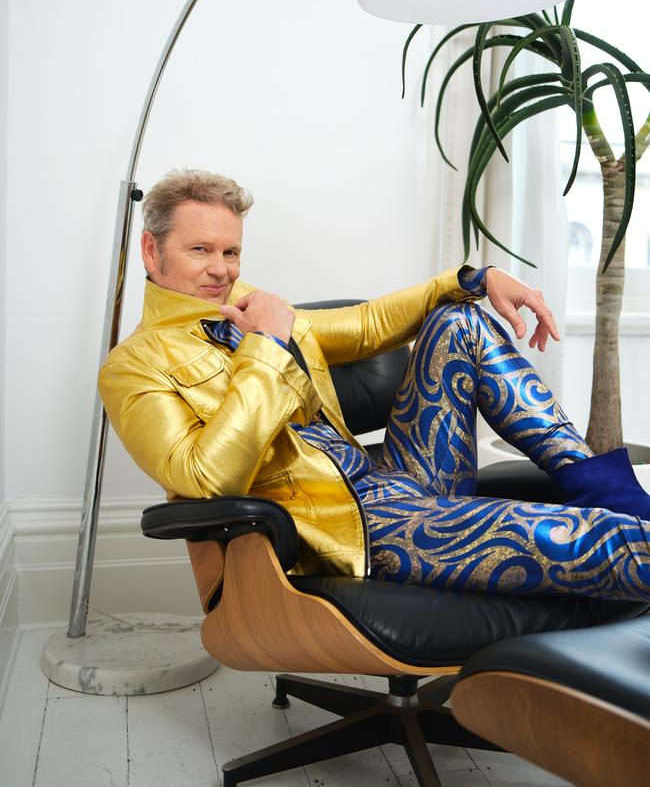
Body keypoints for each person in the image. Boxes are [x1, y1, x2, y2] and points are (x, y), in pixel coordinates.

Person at [99, 170, 650, 609]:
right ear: (152, 252)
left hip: (394, 478)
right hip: (347, 525)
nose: (221, 270)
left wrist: (479, 279)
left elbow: (364, 325)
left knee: (458, 319)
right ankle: (627, 523)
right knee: (607, 541)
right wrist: (265, 346)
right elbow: (205, 480)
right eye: (200, 251)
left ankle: (613, 491)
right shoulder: (135, 366)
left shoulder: (253, 307)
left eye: (231, 252)